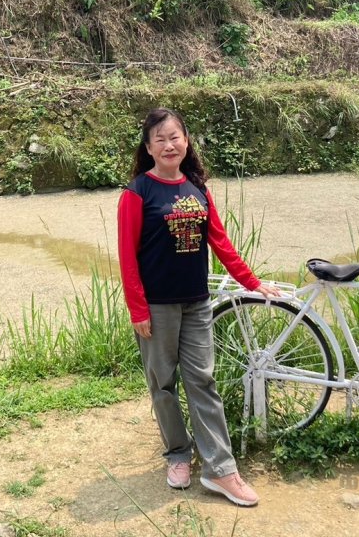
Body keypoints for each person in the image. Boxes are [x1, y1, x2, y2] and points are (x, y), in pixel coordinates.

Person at [117, 107, 280, 507]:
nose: (169, 144)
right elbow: (127, 256)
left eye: (175, 136)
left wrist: (254, 283)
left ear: (186, 141)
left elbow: (221, 244)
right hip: (157, 307)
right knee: (163, 385)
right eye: (160, 138)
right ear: (149, 147)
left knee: (202, 382)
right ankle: (177, 454)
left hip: (197, 304)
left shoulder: (197, 189)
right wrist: (138, 309)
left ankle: (221, 470)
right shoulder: (137, 192)